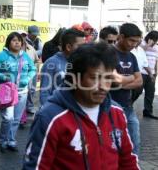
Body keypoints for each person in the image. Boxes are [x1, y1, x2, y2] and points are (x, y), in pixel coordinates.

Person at [23, 42, 139, 170]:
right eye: (94, 77)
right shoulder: (50, 117)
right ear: (75, 78)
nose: (103, 86)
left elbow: (128, 160)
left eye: (108, 78)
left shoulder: (116, 112)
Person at [0, 32, 36, 152]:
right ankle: (2, 141)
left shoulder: (25, 56)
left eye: (19, 40)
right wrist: (2, 77)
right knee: (8, 118)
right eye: (14, 40)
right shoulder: (1, 56)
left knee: (16, 119)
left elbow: (33, 69)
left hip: (22, 92)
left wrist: (27, 79)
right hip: (7, 93)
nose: (17, 42)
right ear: (8, 42)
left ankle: (11, 140)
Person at [110, 23, 143, 155]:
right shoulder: (108, 52)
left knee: (134, 143)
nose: (134, 45)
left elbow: (139, 81)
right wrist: (130, 79)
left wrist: (121, 84)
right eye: (131, 40)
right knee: (112, 144)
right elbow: (114, 79)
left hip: (128, 107)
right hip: (110, 107)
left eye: (136, 41)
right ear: (121, 37)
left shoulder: (132, 56)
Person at [40, 29, 85, 106]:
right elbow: (45, 92)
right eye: (80, 46)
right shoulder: (51, 63)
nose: (83, 49)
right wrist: (48, 112)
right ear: (68, 47)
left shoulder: (81, 62)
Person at [140, 31, 158, 119]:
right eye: (154, 39)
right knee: (137, 91)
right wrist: (148, 45)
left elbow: (156, 61)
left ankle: (147, 111)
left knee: (150, 93)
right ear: (149, 37)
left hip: (152, 74)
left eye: (156, 40)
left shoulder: (156, 47)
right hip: (141, 72)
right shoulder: (142, 43)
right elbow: (139, 52)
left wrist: (156, 73)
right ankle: (128, 108)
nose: (155, 41)